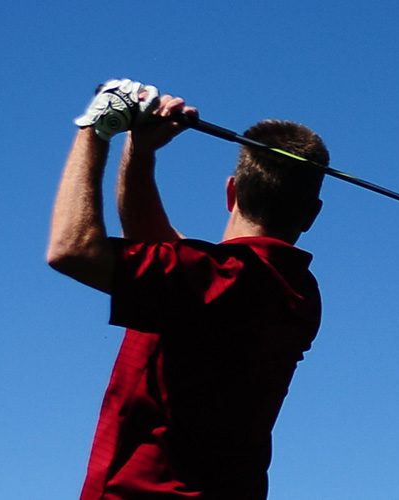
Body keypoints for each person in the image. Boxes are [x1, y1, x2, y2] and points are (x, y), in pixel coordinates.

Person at [47, 79, 329, 499]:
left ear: (231, 191)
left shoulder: (215, 280)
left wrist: (97, 128)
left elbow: (71, 250)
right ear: (311, 214)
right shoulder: (298, 292)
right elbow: (160, 251)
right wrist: (140, 151)